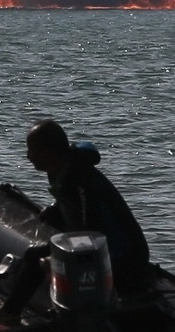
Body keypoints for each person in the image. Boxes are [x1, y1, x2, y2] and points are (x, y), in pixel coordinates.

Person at [22, 119, 151, 289]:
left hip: (123, 260)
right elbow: (73, 208)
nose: (28, 156)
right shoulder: (60, 169)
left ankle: (10, 312)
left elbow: (86, 235)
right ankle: (11, 310)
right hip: (99, 244)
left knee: (35, 256)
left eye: (33, 150)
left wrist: (53, 258)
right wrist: (55, 209)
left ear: (50, 151)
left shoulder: (78, 180)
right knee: (39, 249)